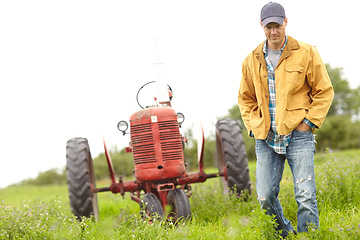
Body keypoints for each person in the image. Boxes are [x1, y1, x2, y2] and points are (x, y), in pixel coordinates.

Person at [238, 2, 334, 237]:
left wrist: (309, 123)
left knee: (305, 194)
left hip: (298, 134)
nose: (273, 31)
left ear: (285, 22)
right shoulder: (251, 60)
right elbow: (245, 99)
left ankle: (308, 236)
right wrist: (253, 127)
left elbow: (324, 91)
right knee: (265, 196)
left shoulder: (306, 52)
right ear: (261, 26)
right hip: (266, 137)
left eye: (277, 25)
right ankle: (285, 233)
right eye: (268, 26)